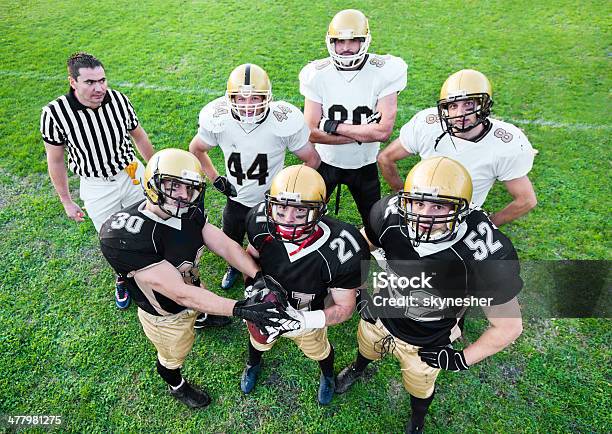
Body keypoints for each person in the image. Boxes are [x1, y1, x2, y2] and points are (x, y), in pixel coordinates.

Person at [335, 157, 523, 433]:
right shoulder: (389, 215)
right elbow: (362, 246)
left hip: (429, 338)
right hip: (382, 313)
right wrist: (359, 290)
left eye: (439, 206)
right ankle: (358, 368)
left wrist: (462, 359)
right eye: (419, 203)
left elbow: (509, 326)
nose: (425, 215)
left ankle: (417, 419)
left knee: (420, 387)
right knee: (366, 348)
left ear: (462, 209)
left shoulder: (484, 253)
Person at [99, 148, 293, 409]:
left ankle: (202, 318)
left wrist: (257, 276)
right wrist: (241, 309)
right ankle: (176, 385)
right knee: (173, 355)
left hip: (192, 285)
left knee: (198, 297)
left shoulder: (188, 210)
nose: (182, 195)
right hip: (165, 313)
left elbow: (224, 244)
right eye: (173, 185)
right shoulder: (124, 236)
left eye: (189, 188)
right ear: (153, 183)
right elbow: (179, 294)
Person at [240, 165, 370, 405]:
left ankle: (327, 375)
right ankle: (253, 363)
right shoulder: (260, 222)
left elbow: (344, 307)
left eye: (300, 211)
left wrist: (301, 321)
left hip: (308, 314)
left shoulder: (341, 248)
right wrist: (253, 287)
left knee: (319, 350)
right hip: (265, 308)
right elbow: (251, 256)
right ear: (271, 205)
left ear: (319, 210)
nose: (288, 220)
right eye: (281, 208)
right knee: (257, 341)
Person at [189, 63, 320, 299]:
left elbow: (312, 160)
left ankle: (269, 271)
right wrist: (215, 177)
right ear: (230, 99)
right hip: (236, 197)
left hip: (270, 201)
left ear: (267, 97)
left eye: (255, 99)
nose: (248, 106)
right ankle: (234, 267)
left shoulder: (283, 122)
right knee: (232, 239)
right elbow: (196, 149)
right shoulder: (219, 120)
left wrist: (288, 191)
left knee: (271, 241)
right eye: (241, 99)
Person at [40, 52, 155, 309]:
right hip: (96, 183)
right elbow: (55, 161)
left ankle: (157, 268)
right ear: (73, 82)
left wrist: (156, 169)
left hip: (131, 173)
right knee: (112, 238)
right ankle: (122, 277)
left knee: (148, 222)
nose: (99, 88)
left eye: (102, 80)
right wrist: (66, 201)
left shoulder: (118, 100)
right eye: (90, 82)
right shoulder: (54, 113)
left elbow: (140, 137)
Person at [377, 69, 537, 227]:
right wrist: (403, 194)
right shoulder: (427, 125)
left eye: (468, 104)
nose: (460, 114)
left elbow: (526, 200)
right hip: (422, 208)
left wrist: (488, 224)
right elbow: (385, 158)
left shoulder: (504, 144)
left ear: (483, 105)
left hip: (462, 219)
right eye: (453, 105)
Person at [299, 8, 407, 228]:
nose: (346, 48)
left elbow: (382, 132)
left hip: (364, 163)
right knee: (305, 217)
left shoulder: (385, 70)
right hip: (326, 161)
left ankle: (373, 259)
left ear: (364, 41)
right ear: (331, 42)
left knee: (374, 223)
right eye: (339, 41)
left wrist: (332, 126)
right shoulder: (316, 74)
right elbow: (310, 131)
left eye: (353, 41)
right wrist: (361, 133)